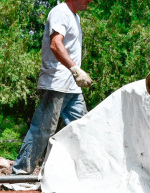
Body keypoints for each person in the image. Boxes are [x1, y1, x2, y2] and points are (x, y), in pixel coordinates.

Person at [12, 0, 94, 175]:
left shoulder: (75, 17)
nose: (91, 1)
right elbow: (56, 44)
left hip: (72, 87)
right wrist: (75, 69)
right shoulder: (60, 12)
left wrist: (75, 74)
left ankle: (84, 174)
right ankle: (20, 173)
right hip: (56, 83)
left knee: (83, 128)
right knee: (43, 129)